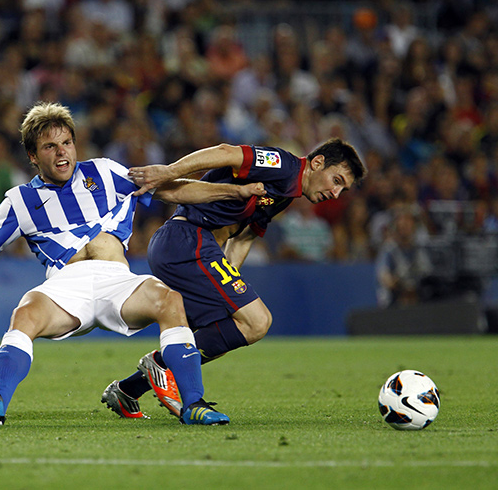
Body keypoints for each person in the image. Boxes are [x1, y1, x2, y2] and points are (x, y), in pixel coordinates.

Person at [0, 102, 265, 427]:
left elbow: (173, 189)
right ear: (33, 156)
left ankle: (193, 404)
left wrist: (234, 190)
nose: (62, 152)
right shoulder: (18, 202)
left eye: (66, 143)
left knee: (169, 300)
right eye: (50, 146)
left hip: (118, 279)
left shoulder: (107, 173)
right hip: (67, 286)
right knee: (25, 315)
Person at [102, 138, 366, 419]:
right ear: (317, 163)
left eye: (343, 189)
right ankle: (172, 379)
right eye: (336, 180)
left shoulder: (286, 194)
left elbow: (244, 238)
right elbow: (226, 153)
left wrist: (229, 285)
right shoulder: (283, 165)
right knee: (257, 321)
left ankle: (128, 389)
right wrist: (169, 172)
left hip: (190, 247)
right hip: (188, 240)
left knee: (223, 330)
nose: (336, 193)